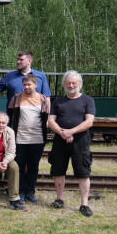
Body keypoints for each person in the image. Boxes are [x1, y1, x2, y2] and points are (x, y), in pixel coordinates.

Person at [47, 70, 95, 216]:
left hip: (80, 141)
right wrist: (63, 133)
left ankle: (84, 204)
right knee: (58, 170)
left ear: (79, 84)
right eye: (68, 83)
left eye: (74, 82)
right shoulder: (58, 101)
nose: (71, 85)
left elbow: (89, 122)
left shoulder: (87, 100)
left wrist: (71, 132)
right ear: (64, 84)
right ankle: (59, 199)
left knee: (83, 172)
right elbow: (50, 121)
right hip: (60, 141)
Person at [7, 73, 51, 203]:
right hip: (20, 139)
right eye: (24, 84)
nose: (26, 87)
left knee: (33, 167)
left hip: (37, 138)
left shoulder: (42, 99)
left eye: (29, 84)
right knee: (19, 166)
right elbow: (10, 116)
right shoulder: (16, 98)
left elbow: (46, 118)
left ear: (35, 85)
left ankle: (30, 191)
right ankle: (20, 192)